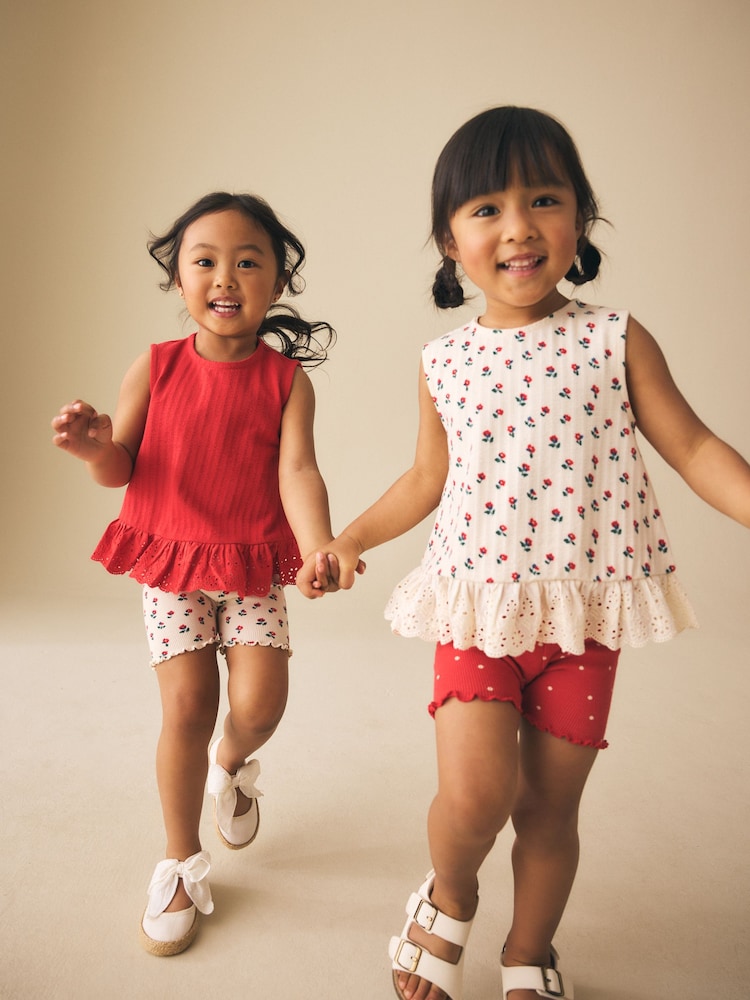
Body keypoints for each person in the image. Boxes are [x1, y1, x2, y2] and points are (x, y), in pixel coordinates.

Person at [297, 107, 750, 1000]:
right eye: (486, 208)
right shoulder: (446, 363)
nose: (517, 227)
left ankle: (529, 952)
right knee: (474, 800)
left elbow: (695, 449)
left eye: (543, 199)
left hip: (585, 615)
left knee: (549, 808)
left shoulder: (614, 339)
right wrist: (349, 538)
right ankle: (451, 892)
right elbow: (427, 479)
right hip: (479, 607)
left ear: (579, 217)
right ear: (448, 239)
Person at [52, 191, 339, 956]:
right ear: (178, 279)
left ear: (277, 283)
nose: (225, 276)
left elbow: (300, 471)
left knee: (260, 705)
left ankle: (234, 765)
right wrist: (93, 449)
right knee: (186, 708)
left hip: (250, 564)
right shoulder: (154, 366)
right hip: (173, 562)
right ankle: (179, 861)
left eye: (249, 262)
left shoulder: (286, 381)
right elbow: (122, 465)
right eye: (204, 261)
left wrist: (317, 548)